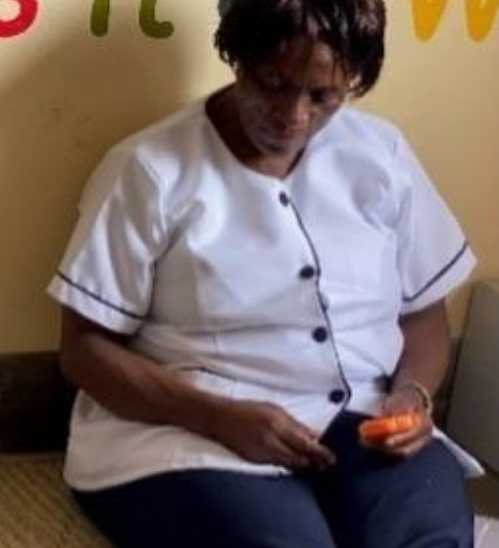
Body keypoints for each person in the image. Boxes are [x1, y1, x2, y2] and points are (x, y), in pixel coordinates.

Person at [47, 0, 480, 546]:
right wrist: (219, 417)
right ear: (237, 58)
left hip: (363, 423)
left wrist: (413, 395)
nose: (294, 115)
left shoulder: (381, 155)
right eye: (273, 83)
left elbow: (423, 312)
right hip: (191, 437)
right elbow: (83, 350)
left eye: (323, 96)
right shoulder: (150, 170)